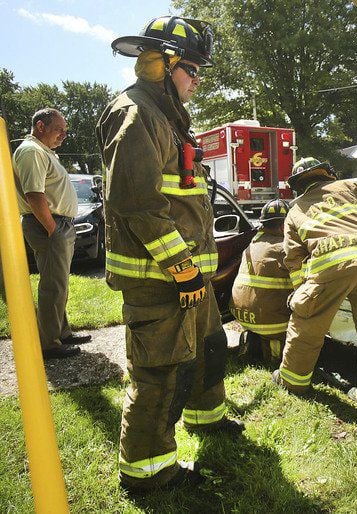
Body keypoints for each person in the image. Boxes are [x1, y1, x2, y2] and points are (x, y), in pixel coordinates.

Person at [97, 15, 243, 494]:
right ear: (165, 63)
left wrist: (194, 273)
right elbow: (135, 203)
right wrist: (182, 269)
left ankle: (207, 418)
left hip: (186, 280)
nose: (199, 80)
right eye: (194, 70)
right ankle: (149, 470)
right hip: (159, 279)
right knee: (160, 371)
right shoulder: (136, 113)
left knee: (207, 350)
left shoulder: (168, 118)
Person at [272, 157, 357, 411]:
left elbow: (293, 257)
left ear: (297, 185)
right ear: (329, 174)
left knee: (307, 325)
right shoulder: (348, 188)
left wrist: (303, 293)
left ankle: (293, 382)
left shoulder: (295, 209)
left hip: (331, 265)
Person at [13, 108, 92, 360]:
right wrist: (53, 229)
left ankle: (61, 332)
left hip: (57, 224)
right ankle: (49, 344)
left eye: (65, 132)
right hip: (48, 225)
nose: (63, 136)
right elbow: (34, 195)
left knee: (59, 282)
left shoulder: (44, 152)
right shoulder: (31, 151)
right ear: (40, 126)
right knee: (53, 285)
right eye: (59, 130)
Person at [230, 199, 292, 365]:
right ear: (283, 226)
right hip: (272, 323)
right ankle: (275, 353)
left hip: (241, 316)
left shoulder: (252, 244)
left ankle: (254, 344)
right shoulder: (285, 248)